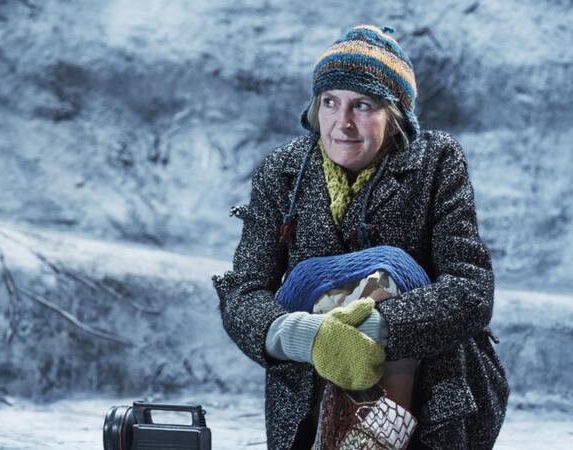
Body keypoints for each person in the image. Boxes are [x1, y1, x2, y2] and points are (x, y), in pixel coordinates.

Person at [213, 24, 509, 449]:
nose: (342, 122)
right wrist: (307, 335)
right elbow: (244, 293)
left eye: (363, 105)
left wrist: (374, 326)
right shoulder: (282, 172)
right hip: (309, 389)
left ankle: (382, 430)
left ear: (396, 114)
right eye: (330, 102)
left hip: (428, 391)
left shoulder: (437, 161)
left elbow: (472, 291)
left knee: (391, 270)